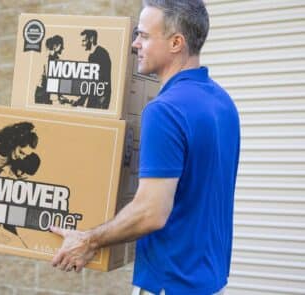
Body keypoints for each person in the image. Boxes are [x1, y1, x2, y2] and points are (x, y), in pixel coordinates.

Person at [50, 1, 240, 295]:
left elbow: (152, 211)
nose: (135, 44)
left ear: (176, 42)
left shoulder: (165, 110)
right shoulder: (223, 103)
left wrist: (88, 240)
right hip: (210, 283)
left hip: (171, 283)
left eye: (144, 36)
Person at [72, 29, 112, 109]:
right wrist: (81, 100)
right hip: (96, 94)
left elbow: (101, 79)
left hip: (100, 96)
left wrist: (81, 100)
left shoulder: (100, 54)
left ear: (91, 39)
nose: (82, 44)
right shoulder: (93, 55)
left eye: (84, 41)